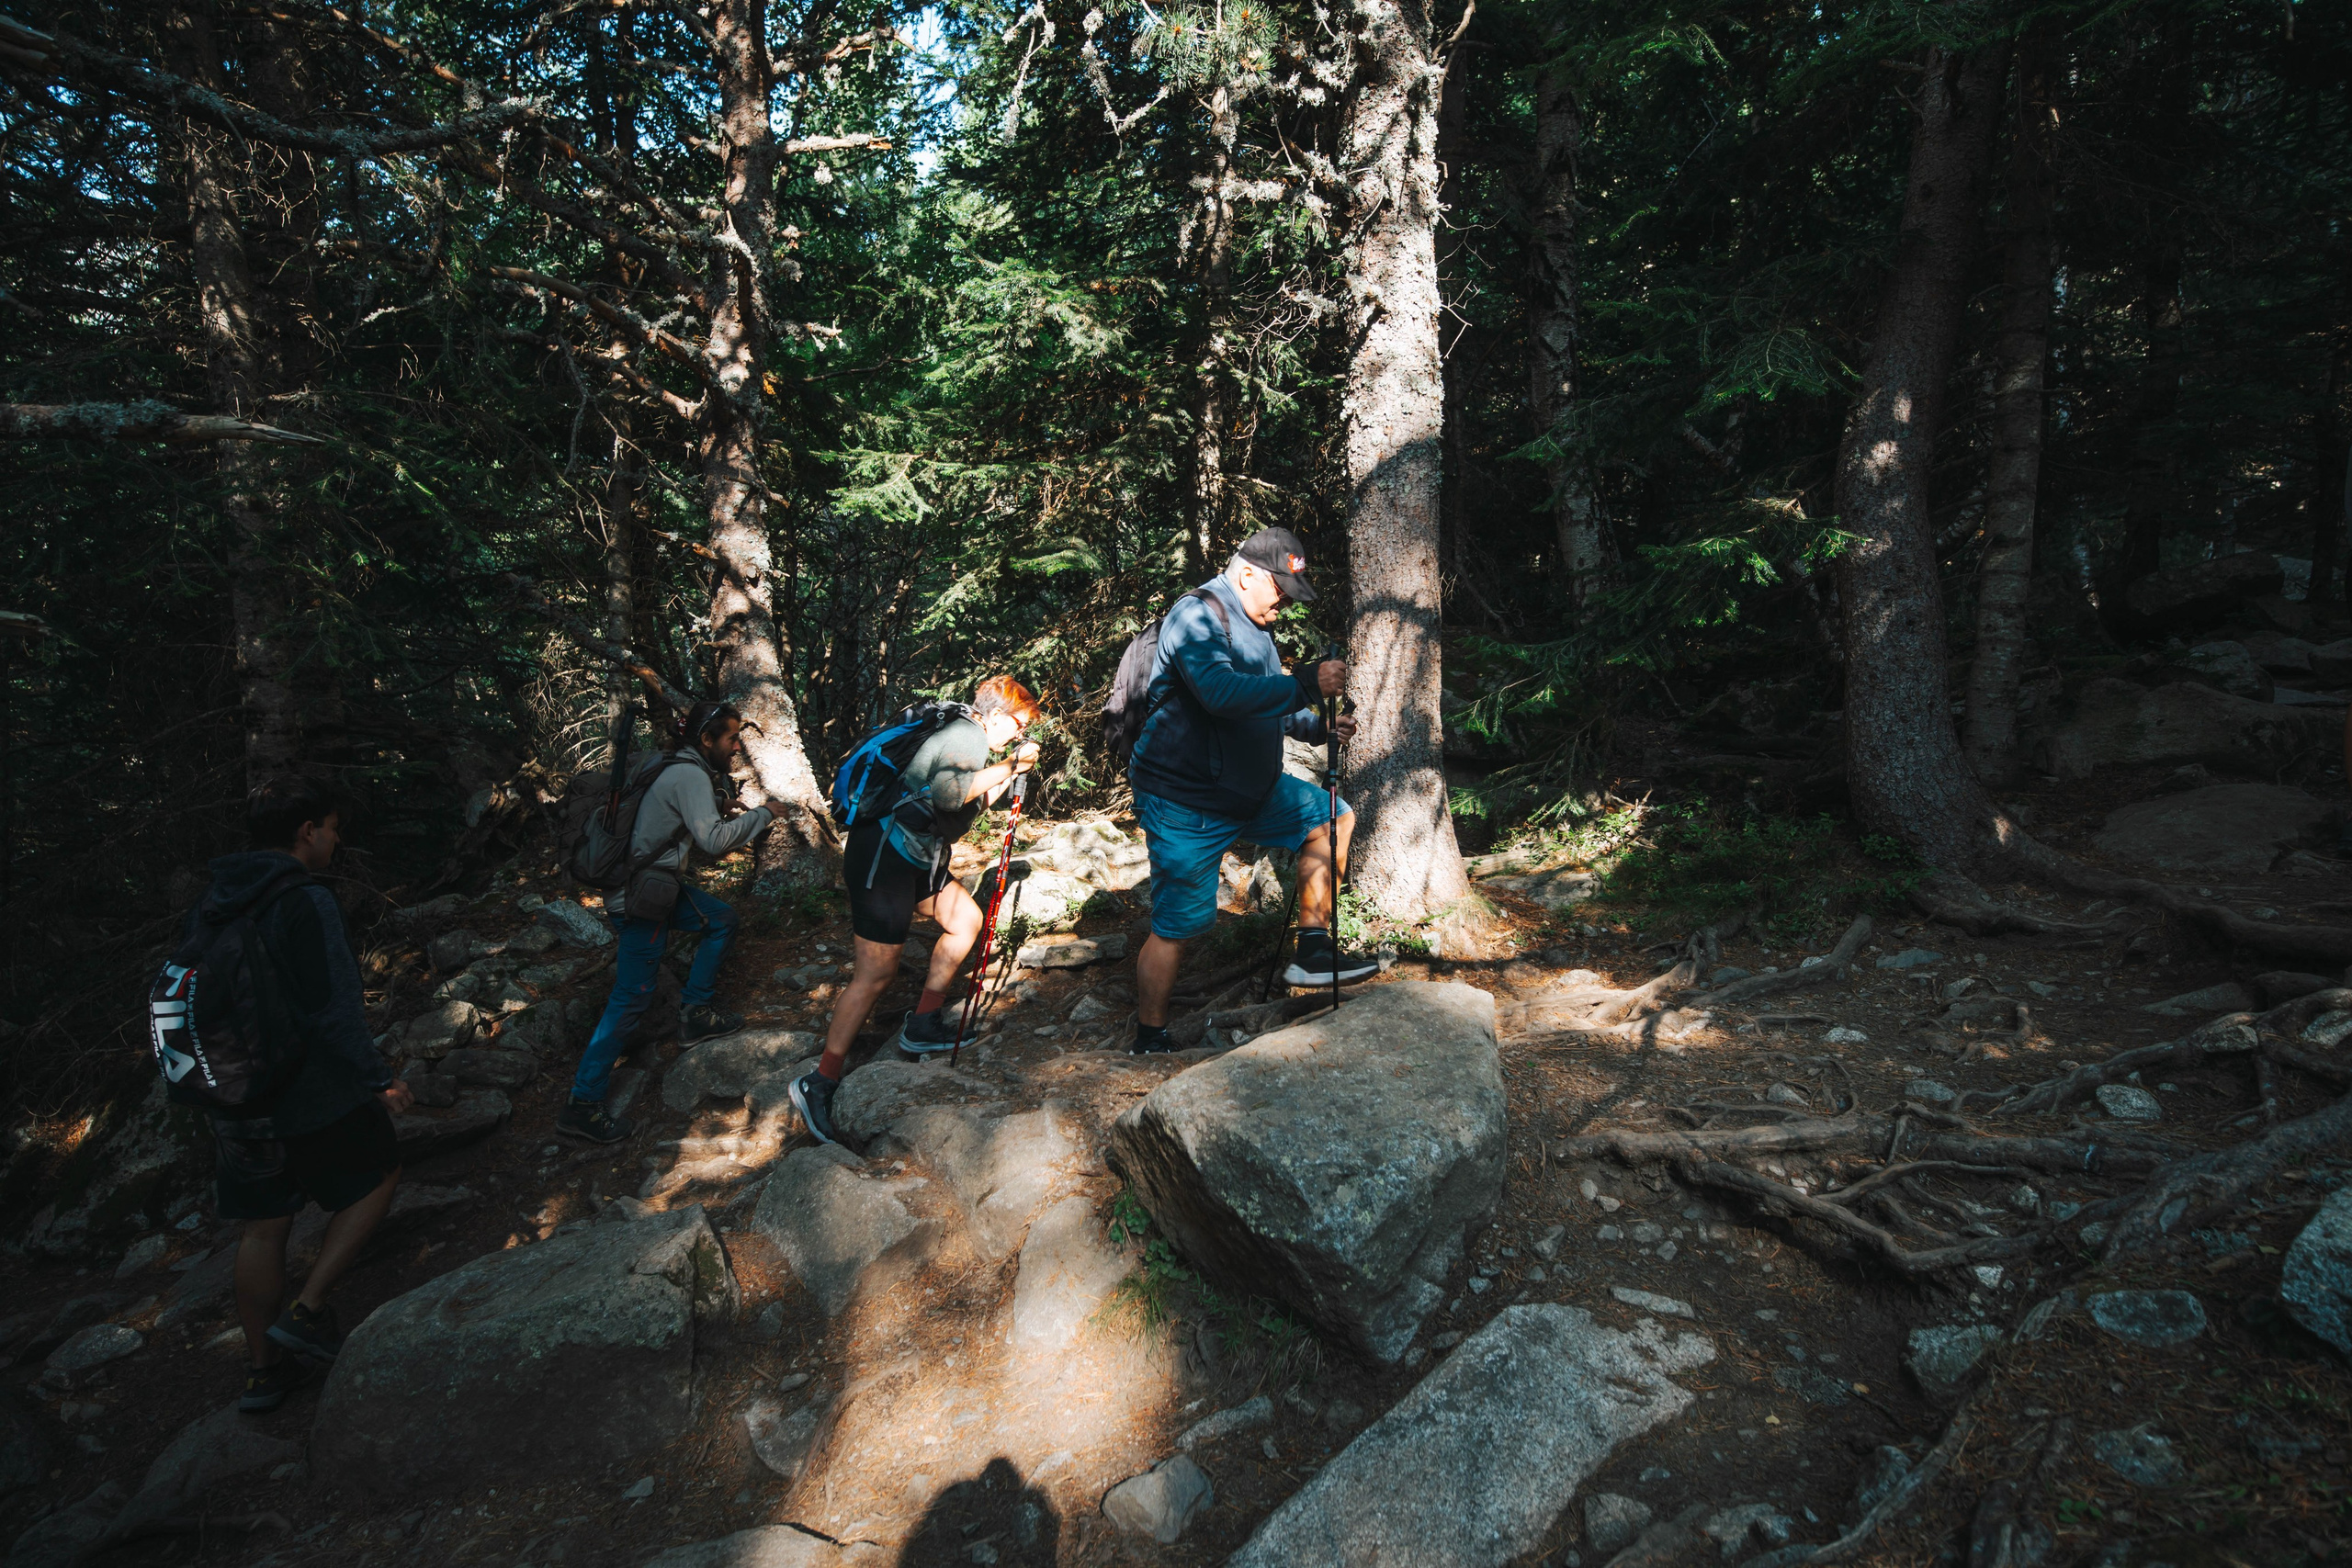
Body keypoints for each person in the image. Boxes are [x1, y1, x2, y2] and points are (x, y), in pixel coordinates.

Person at [198, 776, 412, 1414]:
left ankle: (263, 1372)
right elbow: (333, 1006)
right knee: (379, 1173)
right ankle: (309, 1307)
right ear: (306, 832)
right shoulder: (305, 899)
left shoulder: (220, 897)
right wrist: (377, 1077)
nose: (336, 837)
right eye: (332, 826)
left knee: (265, 1225)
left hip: (233, 1085)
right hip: (301, 1084)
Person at [1126, 526, 1380, 1054]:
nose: (1286, 601)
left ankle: (1313, 949)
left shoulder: (1258, 627)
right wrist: (1308, 682)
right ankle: (1150, 1038)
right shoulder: (1196, 615)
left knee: (1331, 817)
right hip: (1185, 803)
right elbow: (1220, 694)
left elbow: (1267, 705)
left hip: (1253, 791)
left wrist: (1318, 728)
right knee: (1179, 925)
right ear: (1247, 574)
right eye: (1281, 589)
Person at [790, 676, 1043, 1144]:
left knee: (964, 920)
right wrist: (1010, 766)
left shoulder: (968, 737)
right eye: (1018, 725)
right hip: (884, 857)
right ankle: (819, 1081)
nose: (1019, 734)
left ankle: (922, 1023)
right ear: (996, 714)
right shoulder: (967, 734)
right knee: (875, 975)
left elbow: (951, 810)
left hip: (914, 855)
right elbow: (951, 794)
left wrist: (1003, 779)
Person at [563, 700, 773, 1145]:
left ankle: (695, 1012)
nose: (737, 746)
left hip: (651, 889)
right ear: (706, 740)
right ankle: (582, 1106)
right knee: (630, 999)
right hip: (640, 901)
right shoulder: (689, 773)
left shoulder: (679, 767)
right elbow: (713, 841)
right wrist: (764, 813)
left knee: (721, 919)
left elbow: (668, 808)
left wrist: (719, 800)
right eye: (731, 738)